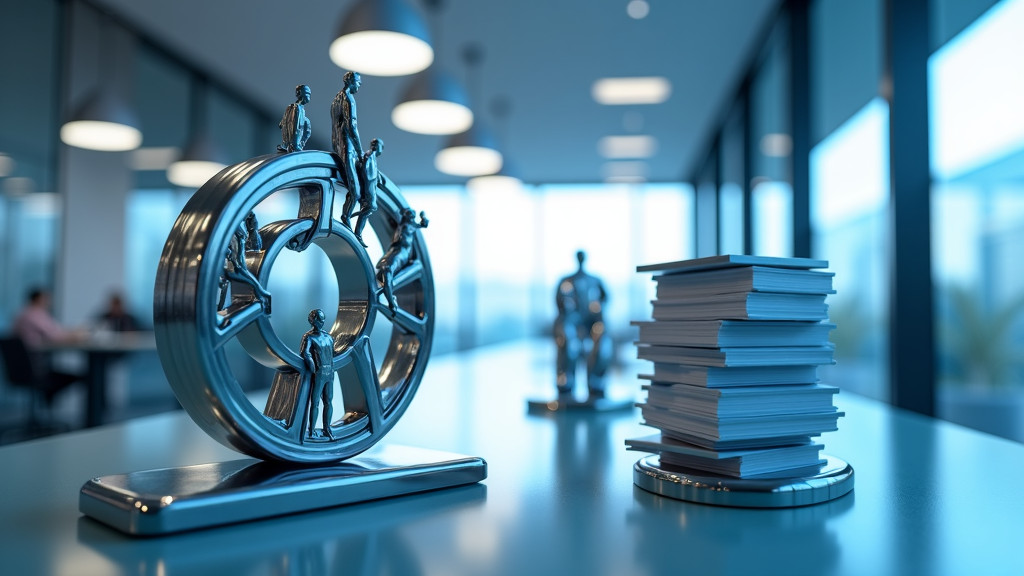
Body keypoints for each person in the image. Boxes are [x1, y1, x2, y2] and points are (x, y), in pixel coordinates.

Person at [554, 251, 612, 400]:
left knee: (601, 333)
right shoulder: (566, 280)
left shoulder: (595, 280)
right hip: (572, 320)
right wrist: (566, 309)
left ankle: (596, 382)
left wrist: (598, 306)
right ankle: (566, 380)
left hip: (590, 321)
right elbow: (558, 301)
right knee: (567, 336)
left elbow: (606, 297)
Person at [375, 208, 428, 315]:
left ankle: (390, 302)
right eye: (409, 215)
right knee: (385, 271)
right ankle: (389, 297)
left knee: (387, 270)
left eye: (411, 216)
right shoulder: (402, 224)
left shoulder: (411, 225)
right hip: (394, 251)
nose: (410, 218)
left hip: (400, 253)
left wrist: (423, 217)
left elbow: (424, 224)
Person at [330, 71, 364, 230]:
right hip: (347, 148)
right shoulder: (348, 99)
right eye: (358, 81)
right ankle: (345, 219)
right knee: (356, 192)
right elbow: (352, 126)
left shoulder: (336, 99)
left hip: (337, 145)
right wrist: (360, 151)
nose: (359, 85)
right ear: (350, 81)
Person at [301, 308, 336, 440]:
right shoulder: (309, 337)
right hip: (319, 372)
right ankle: (311, 430)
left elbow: (333, 353)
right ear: (313, 320)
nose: (322, 322)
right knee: (315, 402)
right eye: (319, 319)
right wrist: (312, 364)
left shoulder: (328, 337)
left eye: (323, 319)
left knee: (328, 401)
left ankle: (327, 428)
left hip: (329, 373)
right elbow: (305, 352)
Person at [12, 288, 82, 349]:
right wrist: (75, 337)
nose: (49, 302)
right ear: (38, 299)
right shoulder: (34, 314)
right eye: (46, 299)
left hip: (25, 353)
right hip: (32, 354)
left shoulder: (24, 312)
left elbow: (54, 330)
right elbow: (53, 335)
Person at [353, 138, 383, 247]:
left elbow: (372, 172)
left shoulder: (372, 156)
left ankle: (358, 233)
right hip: (368, 187)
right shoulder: (369, 155)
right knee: (369, 207)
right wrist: (371, 183)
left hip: (370, 187)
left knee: (370, 208)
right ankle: (358, 234)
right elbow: (366, 172)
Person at [277, 84, 312, 153]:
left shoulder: (292, 108)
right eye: (307, 93)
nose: (309, 96)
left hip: (289, 144)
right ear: (301, 94)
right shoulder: (297, 109)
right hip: (293, 144)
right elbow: (296, 127)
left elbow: (280, 125)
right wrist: (295, 145)